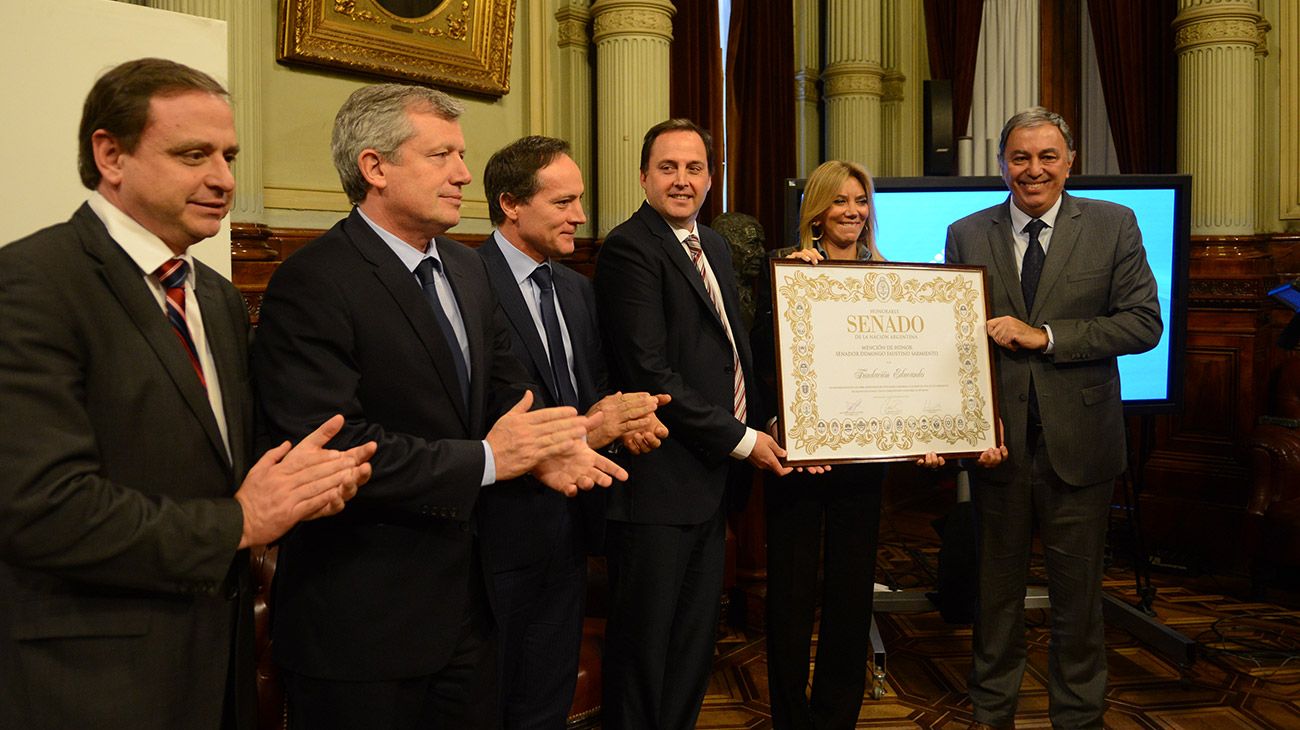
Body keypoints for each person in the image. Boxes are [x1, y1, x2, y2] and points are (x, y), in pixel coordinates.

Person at [0, 58, 375, 730]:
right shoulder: (32, 285)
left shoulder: (219, 298)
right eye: (193, 155)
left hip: (216, 666)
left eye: (229, 156)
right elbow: (42, 510)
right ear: (110, 154)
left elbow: (222, 468)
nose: (224, 180)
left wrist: (306, 486)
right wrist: (241, 522)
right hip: (93, 682)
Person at [250, 85, 627, 730]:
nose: (461, 173)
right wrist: (487, 460)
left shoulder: (466, 268)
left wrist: (559, 444)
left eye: (461, 154)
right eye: (442, 155)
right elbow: (333, 449)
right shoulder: (313, 280)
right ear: (375, 168)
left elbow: (510, 400)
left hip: (471, 611)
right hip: (364, 624)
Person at [944, 107, 1162, 730]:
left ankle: (1079, 718)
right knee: (996, 599)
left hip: (1083, 445)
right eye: (1020, 157)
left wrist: (1045, 336)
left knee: (1077, 601)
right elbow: (957, 340)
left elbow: (1144, 323)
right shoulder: (966, 232)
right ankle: (991, 715)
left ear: (1070, 161)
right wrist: (966, 427)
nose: (1032, 170)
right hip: (998, 449)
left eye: (1046, 157)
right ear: (1002, 164)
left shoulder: (1114, 225)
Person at [592, 118, 792, 730]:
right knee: (645, 650)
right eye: (669, 168)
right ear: (645, 175)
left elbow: (732, 352)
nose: (683, 180)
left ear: (713, 176)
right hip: (659, 486)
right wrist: (743, 439)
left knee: (691, 646)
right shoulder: (630, 248)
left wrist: (773, 417)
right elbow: (653, 374)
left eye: (695, 168)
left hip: (707, 483)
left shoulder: (715, 244)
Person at [477, 135, 669, 729]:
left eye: (579, 200)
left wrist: (623, 423)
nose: (580, 216)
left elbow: (592, 391)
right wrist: (592, 425)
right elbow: (477, 411)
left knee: (546, 701)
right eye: (563, 202)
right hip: (496, 536)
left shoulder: (576, 289)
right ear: (511, 203)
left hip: (569, 533)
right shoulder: (469, 282)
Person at [749, 159, 888, 729]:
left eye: (859, 201)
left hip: (864, 458)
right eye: (839, 201)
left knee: (852, 597)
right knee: (790, 595)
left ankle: (837, 717)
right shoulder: (785, 269)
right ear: (817, 211)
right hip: (800, 459)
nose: (851, 211)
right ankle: (791, 716)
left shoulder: (889, 274)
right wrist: (790, 288)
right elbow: (760, 362)